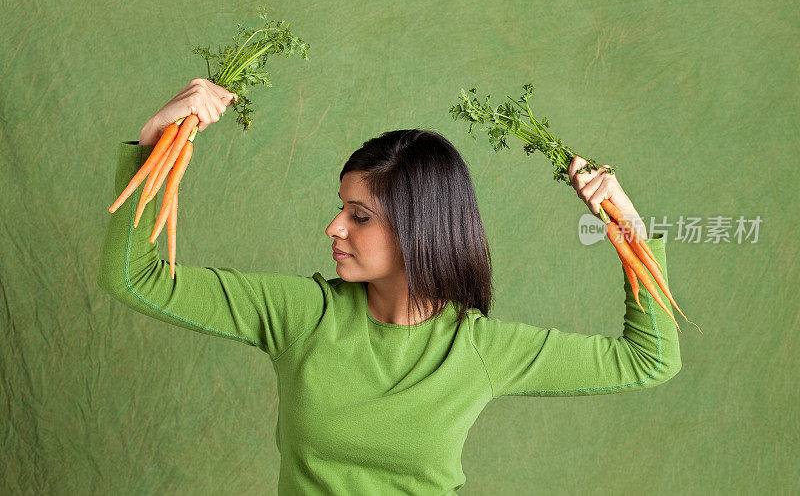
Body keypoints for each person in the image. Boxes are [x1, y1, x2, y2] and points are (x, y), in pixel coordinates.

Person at [98, 78, 682, 495]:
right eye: (340, 209)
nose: (334, 227)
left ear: (419, 231)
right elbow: (137, 279)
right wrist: (156, 146)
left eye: (360, 215)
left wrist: (628, 229)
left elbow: (650, 359)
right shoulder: (303, 315)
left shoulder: (477, 350)